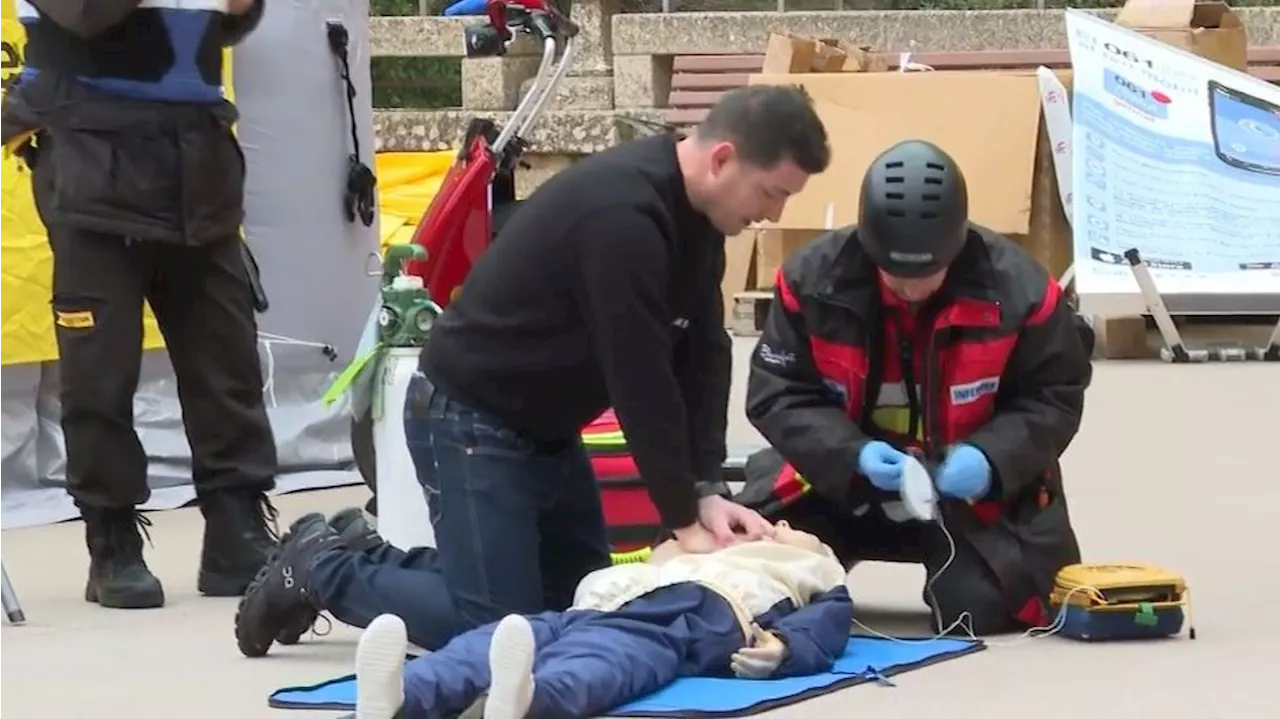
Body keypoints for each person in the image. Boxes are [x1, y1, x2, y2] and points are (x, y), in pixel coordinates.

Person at [233, 85, 832, 657]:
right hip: (469, 419)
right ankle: (319, 567)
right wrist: (680, 518)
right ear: (723, 159)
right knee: (497, 629)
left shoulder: (699, 221)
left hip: (544, 429)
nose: (771, 214)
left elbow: (704, 356)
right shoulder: (624, 213)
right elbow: (640, 379)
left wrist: (704, 488)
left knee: (579, 608)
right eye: (772, 193)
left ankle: (367, 557)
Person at [739, 139, 1094, 636]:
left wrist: (991, 458)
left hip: (968, 496)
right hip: (837, 482)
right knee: (757, 589)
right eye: (895, 274)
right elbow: (778, 392)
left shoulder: (1022, 291)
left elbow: (1053, 395)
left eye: (928, 273)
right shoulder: (810, 281)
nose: (911, 289)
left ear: (958, 241)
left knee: (984, 612)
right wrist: (852, 455)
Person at [0, 0, 280, 610]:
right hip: (91, 157)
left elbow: (225, 21)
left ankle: (236, 529)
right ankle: (112, 541)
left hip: (199, 163)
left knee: (226, 360)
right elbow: (82, 15)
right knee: (100, 371)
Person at [348, 520, 852, 719]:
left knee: (605, 661)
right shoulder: (707, 545)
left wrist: (786, 648)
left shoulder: (811, 571)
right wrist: (686, 542)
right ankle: (402, 694)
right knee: (501, 637)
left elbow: (827, 624)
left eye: (793, 530)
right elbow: (662, 545)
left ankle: (531, 699)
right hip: (601, 602)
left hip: (691, 613)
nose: (778, 526)